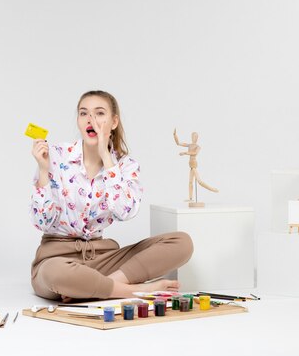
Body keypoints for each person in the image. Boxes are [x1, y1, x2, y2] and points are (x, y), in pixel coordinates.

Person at [29, 90, 193, 301]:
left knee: (181, 243)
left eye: (99, 113)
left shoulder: (125, 166)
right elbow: (42, 222)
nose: (91, 120)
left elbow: (125, 211)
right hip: (56, 259)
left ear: (113, 122)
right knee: (57, 273)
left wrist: (107, 158)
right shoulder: (54, 155)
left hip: (103, 260)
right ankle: (133, 291)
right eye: (83, 113)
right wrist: (43, 171)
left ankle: (96, 287)